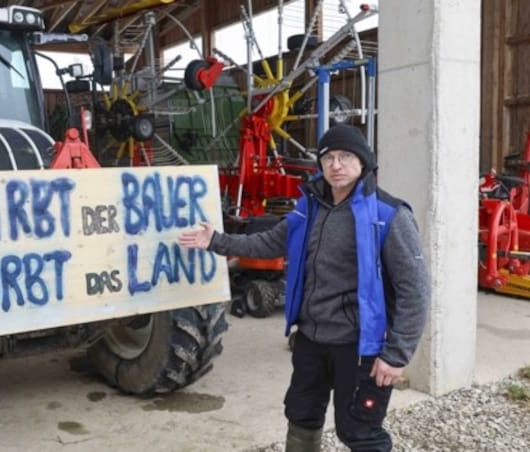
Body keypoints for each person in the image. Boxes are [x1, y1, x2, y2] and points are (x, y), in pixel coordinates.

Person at [179, 125, 430, 452]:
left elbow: (416, 289)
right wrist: (216, 240)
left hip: (358, 346)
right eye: (328, 158)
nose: (336, 165)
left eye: (345, 157)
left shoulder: (388, 215)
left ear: (364, 163)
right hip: (311, 339)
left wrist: (396, 354)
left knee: (359, 431)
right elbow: (269, 242)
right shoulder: (309, 208)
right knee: (301, 415)